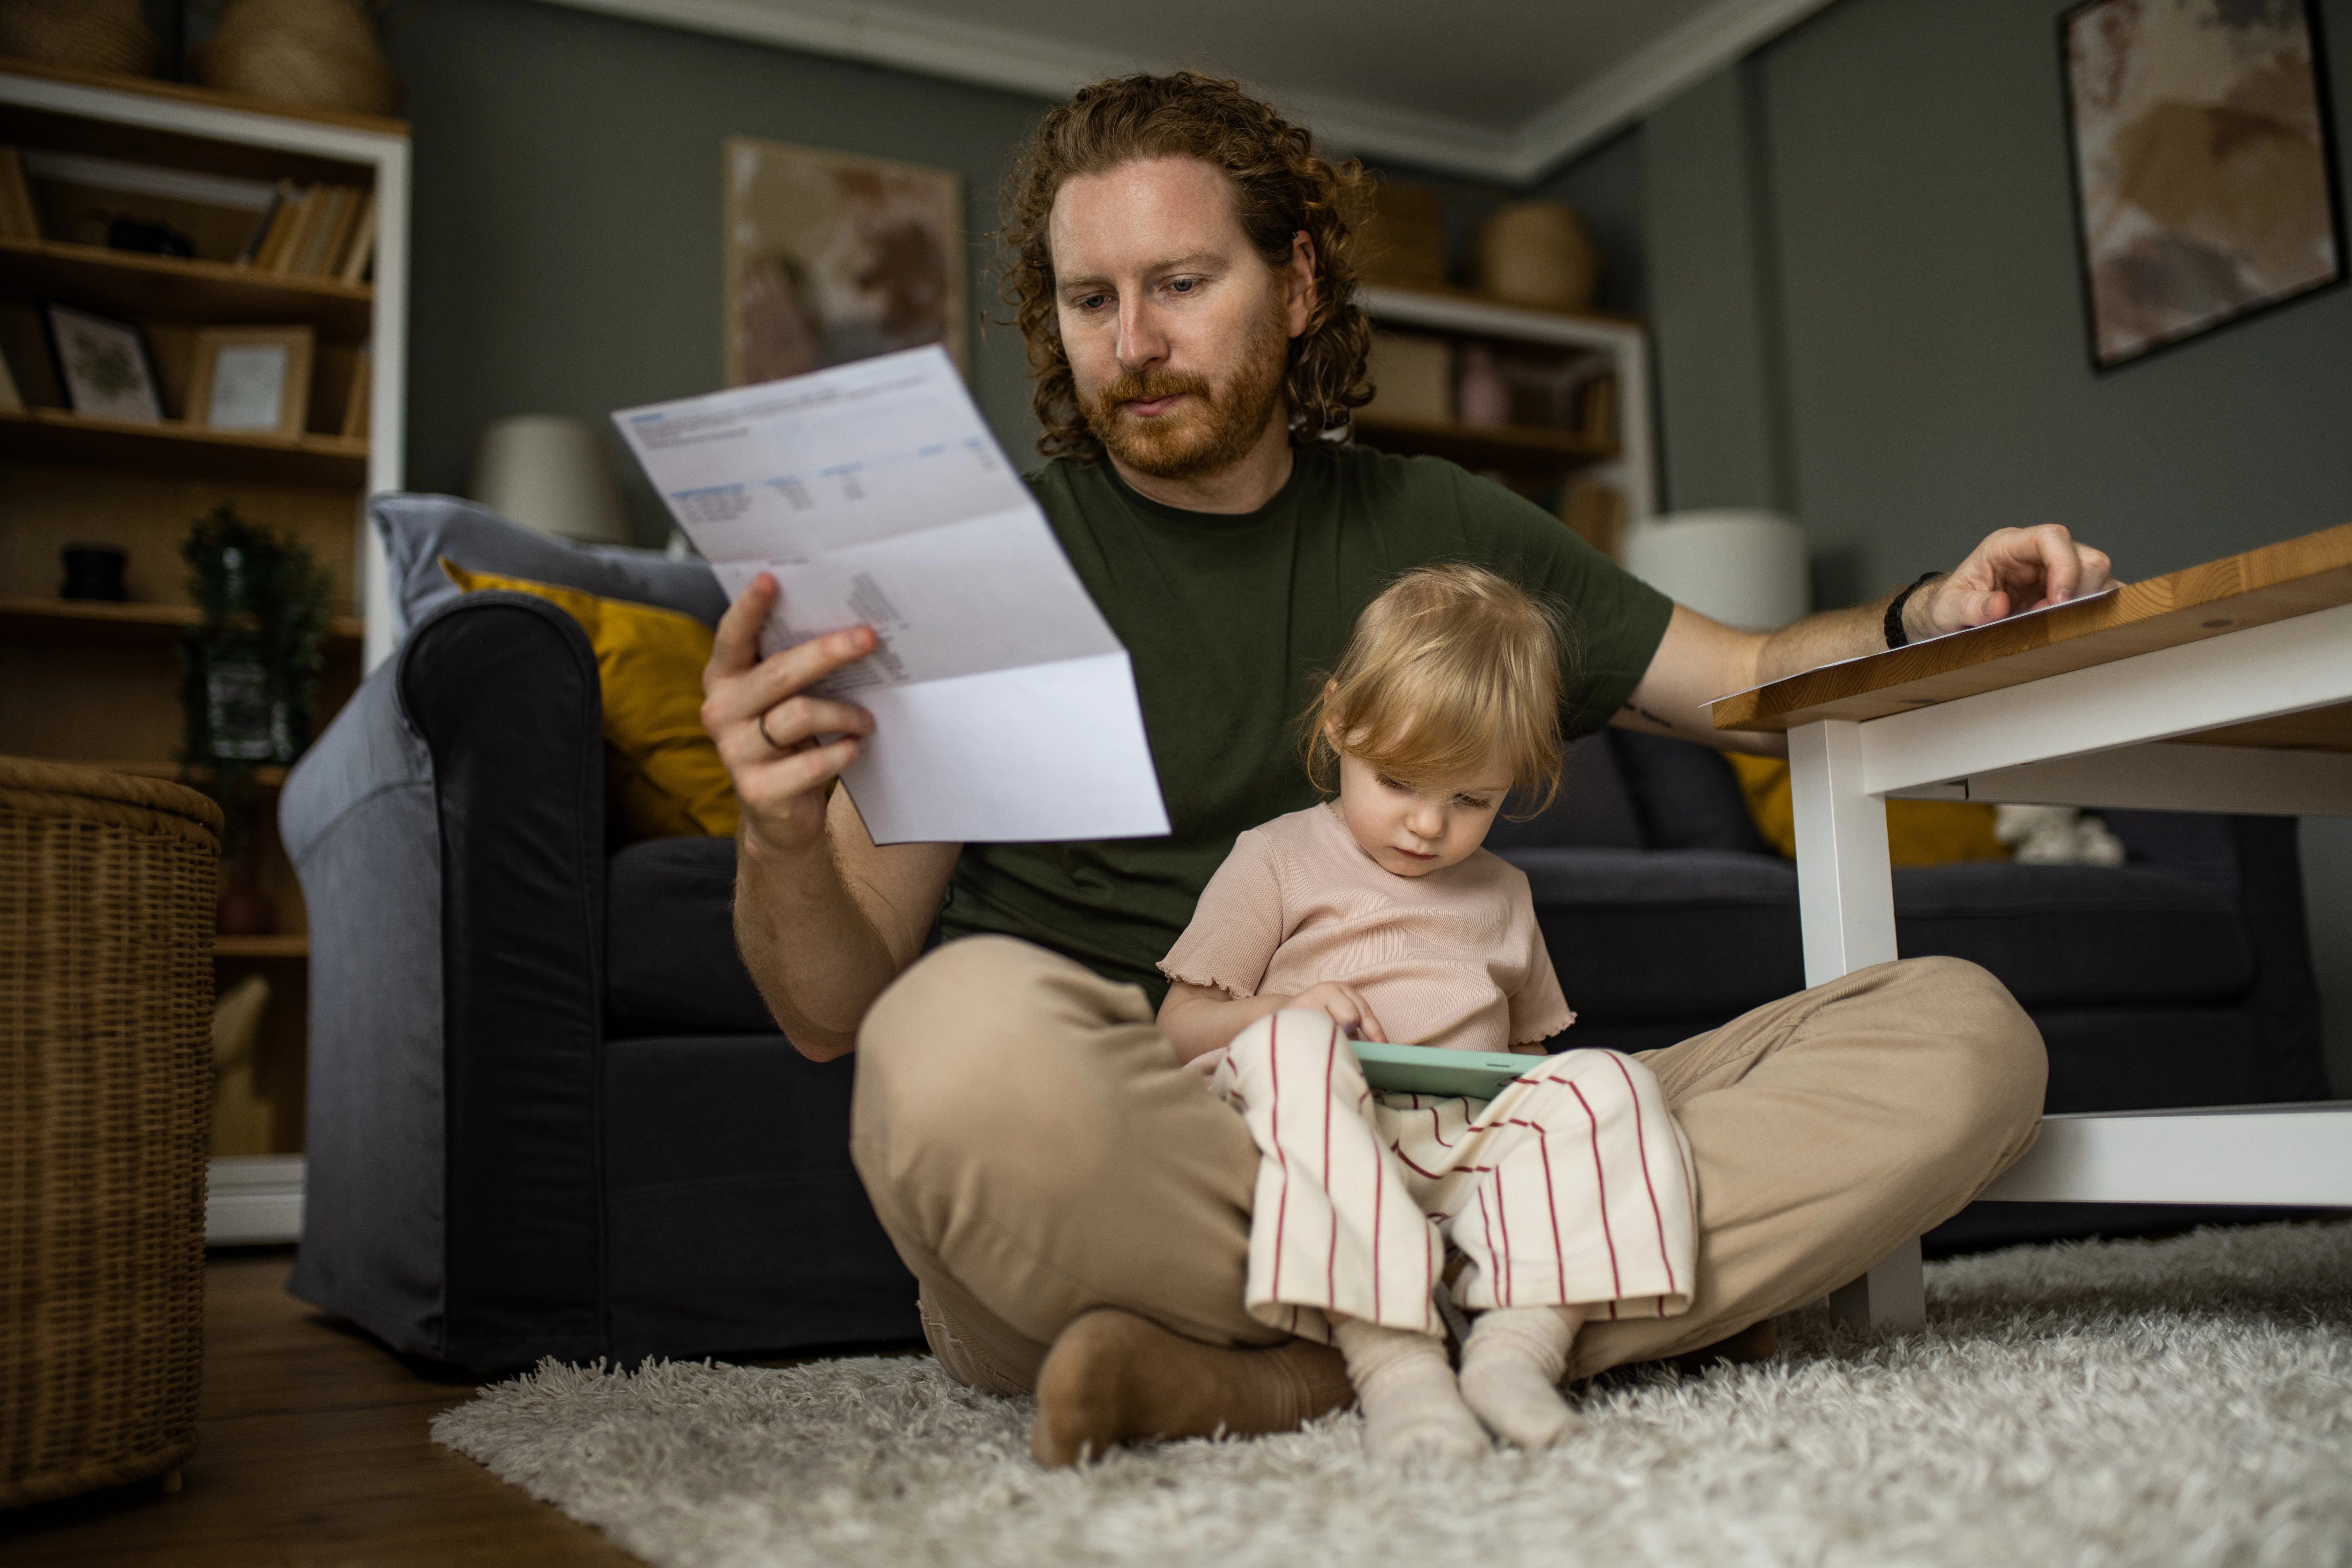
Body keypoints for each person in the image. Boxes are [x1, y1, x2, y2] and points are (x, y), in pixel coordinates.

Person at [701, 72, 2101, 1466]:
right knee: (947, 1041)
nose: (1132, 343)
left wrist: (1927, 613)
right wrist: (778, 831)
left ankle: (1284, 1371)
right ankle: (1543, 1305)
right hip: (1168, 1161)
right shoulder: (972, 572)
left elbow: (1742, 682)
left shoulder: (1437, 521)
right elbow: (832, 1012)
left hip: (1459, 1143)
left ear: (1297, 283)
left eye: (1182, 283)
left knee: (1966, 1033)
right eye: (1089, 301)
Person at [1159, 563, 1696, 1459]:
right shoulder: (1276, 858)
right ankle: (1396, 1366)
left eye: (1471, 801)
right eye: (1399, 781)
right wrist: (1290, 1010)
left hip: (1450, 1150)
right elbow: (1177, 1026)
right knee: (1289, 1043)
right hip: (1302, 1137)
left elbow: (1530, 1061)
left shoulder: (1505, 893)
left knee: (1607, 1079)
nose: (1426, 827)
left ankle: (1515, 1353)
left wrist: (1550, 1102)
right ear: (1340, 722)